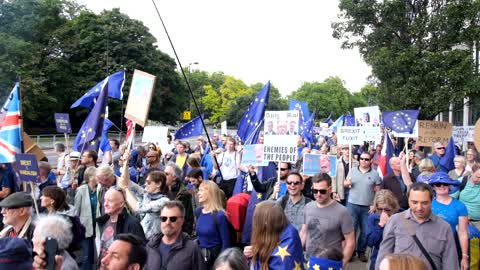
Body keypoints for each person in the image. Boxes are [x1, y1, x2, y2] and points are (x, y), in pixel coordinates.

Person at [375, 182, 459, 270]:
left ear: (432, 200)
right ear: (408, 200)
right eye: (414, 202)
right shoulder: (395, 221)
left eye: (424, 203)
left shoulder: (444, 228)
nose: (419, 207)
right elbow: (383, 255)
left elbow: (451, 263)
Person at [300, 173, 355, 266]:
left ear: (330, 190)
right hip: (308, 261)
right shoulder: (308, 207)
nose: (318, 194)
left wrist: (341, 264)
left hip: (330, 263)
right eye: (315, 190)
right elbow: (304, 232)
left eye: (322, 191)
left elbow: (350, 242)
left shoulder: (342, 211)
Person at [144, 201, 206, 270]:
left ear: (182, 221)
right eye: (164, 218)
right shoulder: (151, 245)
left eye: (173, 219)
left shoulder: (192, 249)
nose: (167, 222)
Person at [244, 201, 304, 270]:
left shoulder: (290, 236)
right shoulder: (271, 228)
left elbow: (282, 264)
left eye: (258, 219)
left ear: (266, 221)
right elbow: (271, 249)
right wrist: (255, 251)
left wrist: (257, 256)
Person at [345, 152, 382, 262]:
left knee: (366, 231)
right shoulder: (352, 170)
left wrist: (375, 205)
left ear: (370, 161)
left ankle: (361, 251)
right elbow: (345, 183)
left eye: (366, 159)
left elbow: (378, 191)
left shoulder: (375, 174)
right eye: (362, 159)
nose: (364, 161)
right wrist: (347, 183)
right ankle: (350, 252)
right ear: (359, 159)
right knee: (352, 230)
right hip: (352, 205)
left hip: (367, 207)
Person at [429, 172, 469, 270]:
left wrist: (464, 256)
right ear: (433, 187)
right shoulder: (427, 204)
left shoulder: (459, 206)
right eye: (438, 184)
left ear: (449, 186)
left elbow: (463, 232)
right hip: (430, 246)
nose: (442, 186)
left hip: (451, 246)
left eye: (445, 184)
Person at [96, 187, 146, 264]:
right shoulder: (103, 221)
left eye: (110, 201)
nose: (105, 204)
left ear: (121, 203)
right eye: (104, 200)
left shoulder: (132, 224)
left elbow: (140, 254)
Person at [124, 169, 170, 240]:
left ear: (158, 184)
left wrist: (125, 190)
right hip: (142, 237)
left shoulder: (164, 201)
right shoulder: (147, 194)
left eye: (148, 182)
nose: (145, 184)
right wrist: (126, 163)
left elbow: (139, 208)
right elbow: (128, 183)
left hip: (154, 241)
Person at [195, 181, 231, 269]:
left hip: (215, 259)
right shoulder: (198, 211)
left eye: (202, 190)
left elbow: (226, 244)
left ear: (211, 193)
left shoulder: (220, 215)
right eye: (199, 190)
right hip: (200, 258)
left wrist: (221, 264)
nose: (198, 193)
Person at [366, 190, 400, 270]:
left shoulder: (400, 216)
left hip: (397, 257)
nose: (383, 213)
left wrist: (391, 223)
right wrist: (380, 225)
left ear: (393, 207)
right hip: (378, 257)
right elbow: (370, 242)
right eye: (380, 209)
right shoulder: (373, 218)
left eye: (387, 210)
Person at [74, 167, 97, 270]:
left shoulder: (101, 188)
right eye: (95, 175)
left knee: (99, 253)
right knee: (87, 255)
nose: (98, 177)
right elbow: (76, 210)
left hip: (98, 225)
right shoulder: (81, 190)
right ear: (89, 177)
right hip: (86, 226)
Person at [164, 162, 194, 235]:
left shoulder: (184, 194)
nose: (163, 176)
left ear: (174, 177)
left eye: (166, 174)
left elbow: (188, 219)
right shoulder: (161, 190)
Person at [459, 164, 480, 229]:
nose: (479, 180)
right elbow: (450, 199)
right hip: (461, 220)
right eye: (478, 177)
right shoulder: (462, 181)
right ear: (472, 172)